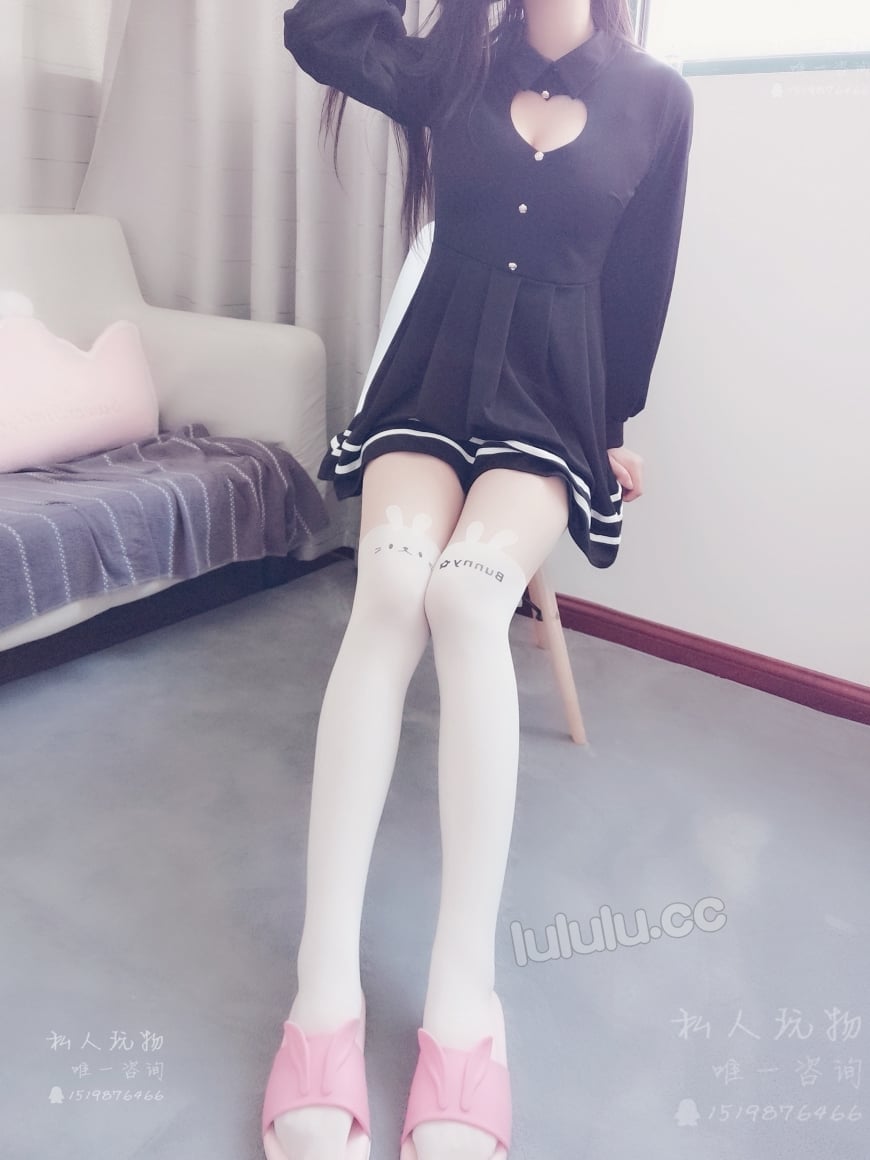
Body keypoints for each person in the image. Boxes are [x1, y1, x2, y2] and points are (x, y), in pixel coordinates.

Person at [263, 2, 695, 1158]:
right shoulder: (448, 66)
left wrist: (613, 429)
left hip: (551, 408)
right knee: (390, 589)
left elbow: (639, 285)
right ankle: (322, 985)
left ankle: (466, 998)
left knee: (463, 598)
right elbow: (315, 29)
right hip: (430, 387)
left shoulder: (659, 100)